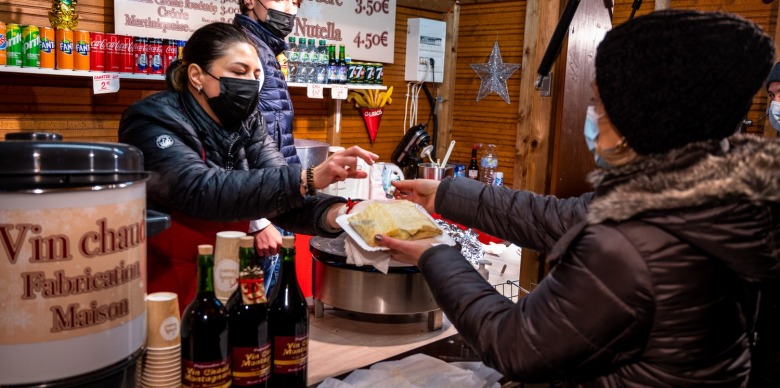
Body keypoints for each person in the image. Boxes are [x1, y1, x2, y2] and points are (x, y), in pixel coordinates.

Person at [376, 10, 780, 387]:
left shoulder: (632, 242)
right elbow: (555, 218)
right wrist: (446, 193)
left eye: (598, 103)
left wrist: (435, 255)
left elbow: (514, 345)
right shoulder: (702, 196)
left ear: (639, 119)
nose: (592, 114)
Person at [118, 22, 377, 311]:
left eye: (256, 75)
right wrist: (309, 177)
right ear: (196, 76)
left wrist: (345, 215)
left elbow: (280, 192)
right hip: (171, 271)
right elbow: (197, 189)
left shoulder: (250, 122)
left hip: (232, 267)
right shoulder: (151, 118)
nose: (250, 84)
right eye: (239, 72)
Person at [233, 0, 301, 296]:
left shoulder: (265, 50)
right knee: (251, 315)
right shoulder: (243, 52)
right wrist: (256, 223)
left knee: (268, 315)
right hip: (259, 213)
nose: (291, 9)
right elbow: (231, 142)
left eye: (296, 2)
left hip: (275, 203)